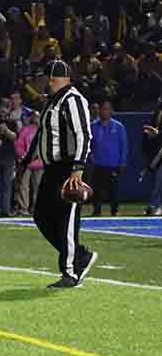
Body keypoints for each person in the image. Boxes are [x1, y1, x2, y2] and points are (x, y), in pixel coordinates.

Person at [22, 61, 98, 288]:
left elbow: (84, 135)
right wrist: (26, 161)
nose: (43, 82)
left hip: (69, 167)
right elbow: (41, 136)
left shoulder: (73, 100)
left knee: (66, 219)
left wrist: (78, 169)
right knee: (42, 216)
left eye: (46, 78)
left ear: (53, 78)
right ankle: (80, 254)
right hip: (53, 168)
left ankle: (70, 272)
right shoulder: (52, 102)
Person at [89, 101, 128, 216]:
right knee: (96, 189)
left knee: (113, 190)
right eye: (103, 109)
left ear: (111, 111)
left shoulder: (118, 127)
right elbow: (88, 144)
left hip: (113, 164)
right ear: (99, 111)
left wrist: (122, 161)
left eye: (108, 109)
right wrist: (91, 156)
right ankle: (96, 210)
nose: (105, 111)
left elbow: (124, 145)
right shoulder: (93, 126)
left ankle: (114, 210)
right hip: (98, 164)